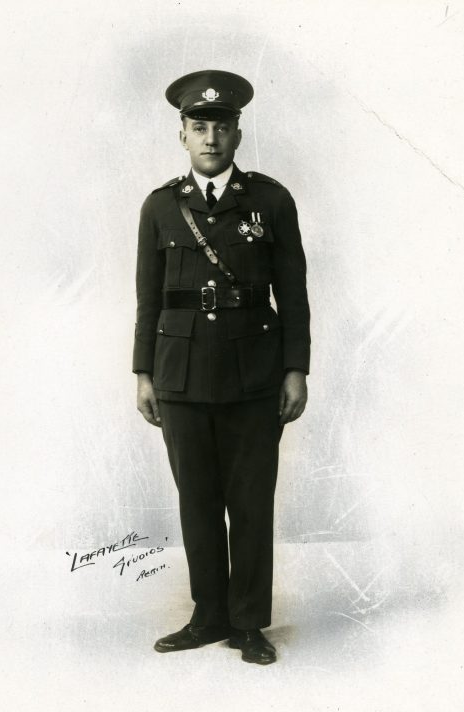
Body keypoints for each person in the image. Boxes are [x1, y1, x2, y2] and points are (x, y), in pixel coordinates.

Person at [133, 69, 310, 665]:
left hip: (255, 375)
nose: (211, 137)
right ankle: (207, 616)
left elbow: (294, 292)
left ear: (238, 133)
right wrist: (143, 373)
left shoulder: (270, 200)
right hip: (178, 374)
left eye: (222, 127)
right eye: (199, 126)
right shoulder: (160, 207)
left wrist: (295, 369)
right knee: (197, 503)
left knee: (252, 503)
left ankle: (248, 624)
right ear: (182, 133)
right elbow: (147, 298)